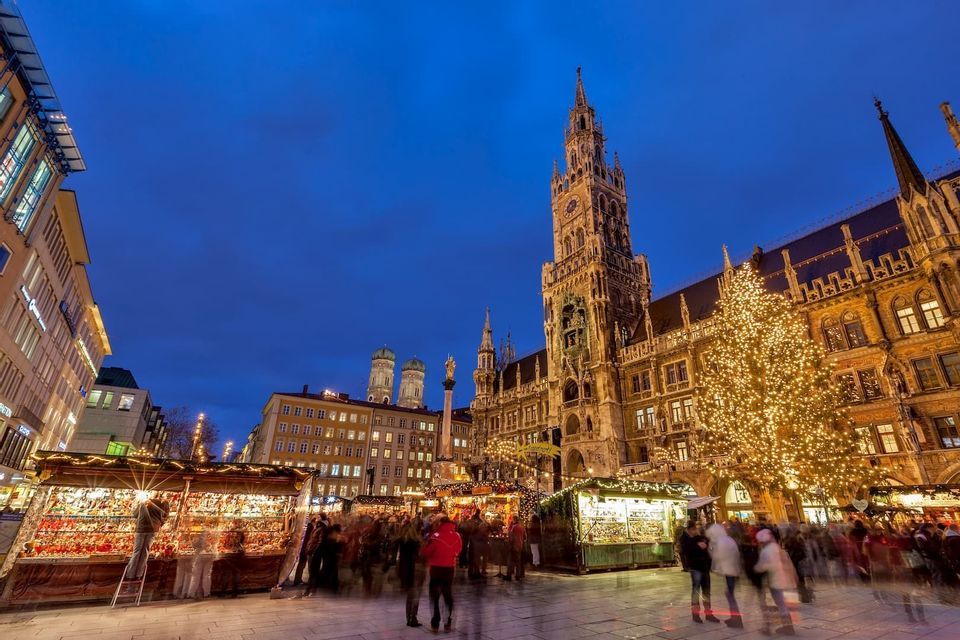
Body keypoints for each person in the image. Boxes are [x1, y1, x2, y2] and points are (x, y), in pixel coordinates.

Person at [422, 516, 463, 632]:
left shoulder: (435, 536)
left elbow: (427, 551)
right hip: (449, 568)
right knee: (447, 594)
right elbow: (459, 550)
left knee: (435, 596)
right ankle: (448, 622)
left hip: (436, 568)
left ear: (440, 523)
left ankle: (435, 622)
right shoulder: (457, 536)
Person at [754, 528, 797, 636]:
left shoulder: (766, 551)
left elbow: (765, 566)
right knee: (782, 604)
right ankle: (788, 626)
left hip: (774, 580)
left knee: (779, 604)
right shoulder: (777, 547)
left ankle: (785, 627)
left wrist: (756, 569)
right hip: (783, 579)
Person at [705, 523, 743, 628]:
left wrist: (709, 549)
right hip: (733, 570)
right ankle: (734, 617)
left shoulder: (721, 542)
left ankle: (736, 619)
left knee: (730, 595)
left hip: (730, 571)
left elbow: (717, 557)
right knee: (729, 594)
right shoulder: (728, 539)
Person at [680, 521, 718, 623]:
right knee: (696, 590)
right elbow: (686, 551)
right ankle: (696, 614)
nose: (696, 531)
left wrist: (703, 541)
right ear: (690, 529)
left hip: (704, 566)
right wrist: (697, 546)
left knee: (706, 591)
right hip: (695, 567)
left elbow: (707, 544)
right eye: (695, 529)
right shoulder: (684, 538)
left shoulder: (699, 536)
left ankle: (708, 613)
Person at [123, 497, 170, 580]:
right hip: (153, 529)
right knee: (145, 551)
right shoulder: (162, 503)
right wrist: (159, 524)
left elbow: (135, 515)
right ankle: (139, 575)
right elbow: (165, 516)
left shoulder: (144, 502)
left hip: (142, 528)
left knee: (137, 551)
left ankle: (130, 575)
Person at [396, 517, 426, 627]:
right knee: (415, 595)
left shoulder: (401, 540)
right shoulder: (417, 541)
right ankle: (413, 617)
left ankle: (408, 617)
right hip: (416, 569)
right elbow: (422, 556)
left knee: (409, 596)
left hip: (405, 569)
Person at [505, 516, 526, 581]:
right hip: (520, 546)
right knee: (518, 562)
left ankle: (509, 576)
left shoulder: (513, 527)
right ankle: (518, 576)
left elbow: (511, 537)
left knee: (510, 561)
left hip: (513, 546)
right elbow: (525, 537)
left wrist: (508, 542)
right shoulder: (522, 527)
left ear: (514, 520)